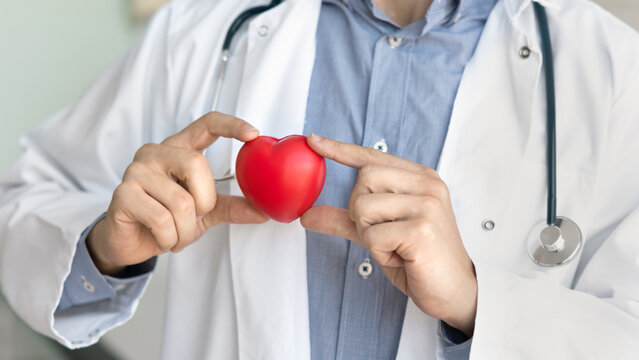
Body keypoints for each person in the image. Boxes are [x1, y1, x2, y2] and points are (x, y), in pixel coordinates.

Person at [1, 0, 638, 358]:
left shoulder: (610, 70)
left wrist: (477, 304)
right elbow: (23, 201)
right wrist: (104, 250)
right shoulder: (203, 27)